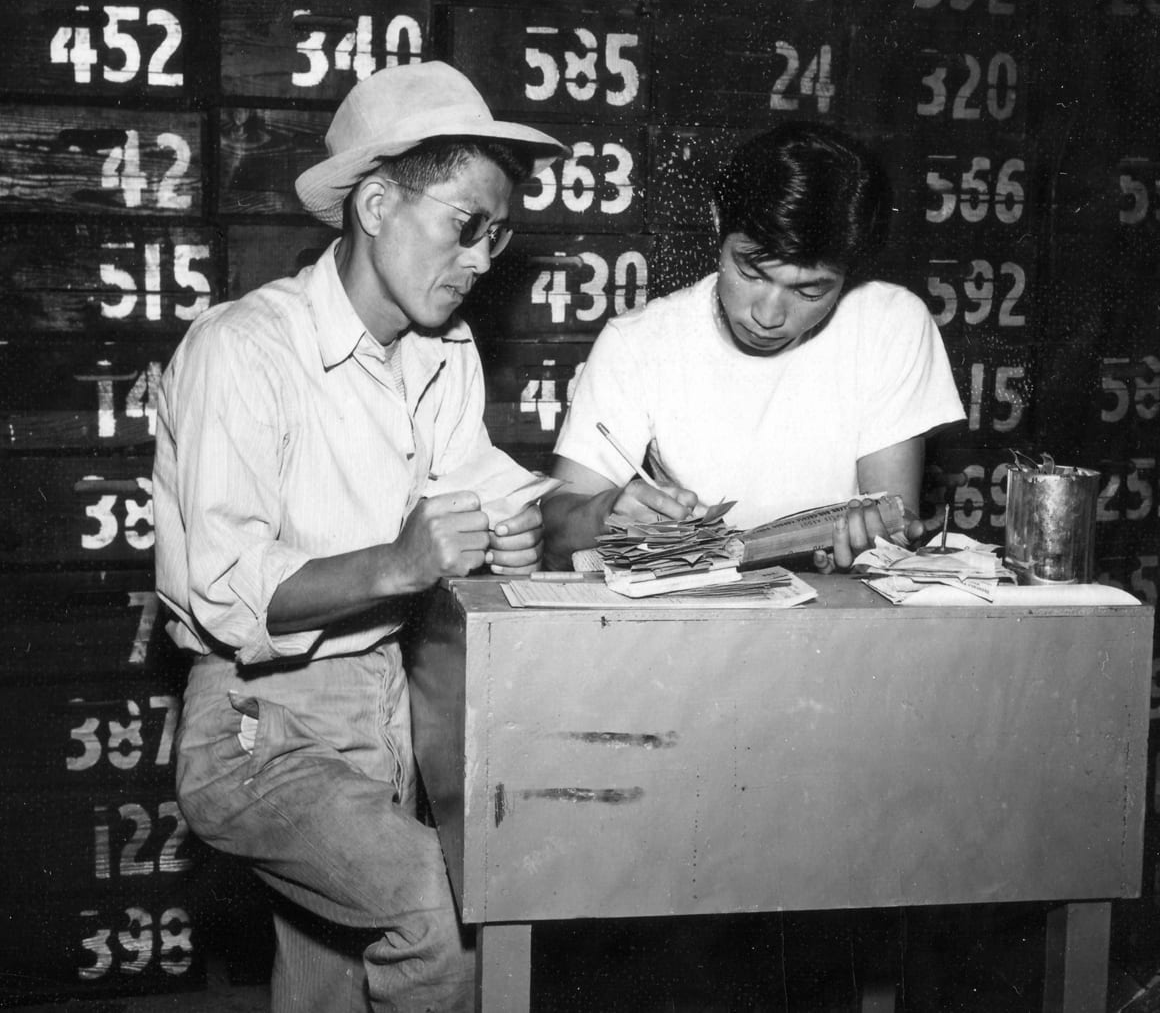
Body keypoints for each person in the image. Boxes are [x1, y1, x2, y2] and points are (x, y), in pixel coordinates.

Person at [152, 61, 566, 1013]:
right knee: (439, 910)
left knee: (328, 988)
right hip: (258, 727)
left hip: (386, 715)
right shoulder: (243, 350)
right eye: (467, 225)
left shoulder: (443, 354)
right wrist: (403, 562)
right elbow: (227, 592)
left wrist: (583, 515)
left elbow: (488, 489)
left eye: (499, 235)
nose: (482, 259)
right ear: (376, 202)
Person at [543, 120, 965, 569]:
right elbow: (552, 531)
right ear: (718, 222)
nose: (767, 315)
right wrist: (605, 513)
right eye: (750, 272)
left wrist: (876, 541)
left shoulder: (888, 324)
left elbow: (893, 524)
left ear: (849, 273)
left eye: (810, 292)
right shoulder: (639, 343)